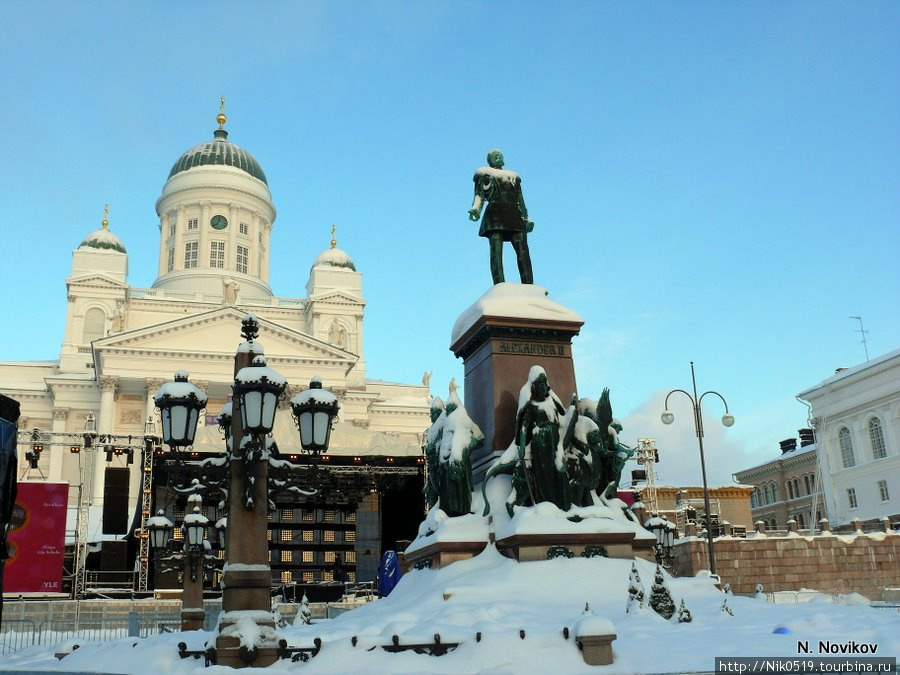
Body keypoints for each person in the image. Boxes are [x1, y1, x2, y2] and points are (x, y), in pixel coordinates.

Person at [468, 149, 534, 285]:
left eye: (500, 156)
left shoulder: (513, 177)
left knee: (523, 251)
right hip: (495, 215)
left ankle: (529, 285)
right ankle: (499, 284)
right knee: (496, 253)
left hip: (514, 214)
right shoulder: (484, 174)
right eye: (495, 156)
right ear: (490, 160)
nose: (498, 157)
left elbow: (520, 200)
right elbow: (479, 195)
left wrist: (526, 219)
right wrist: (476, 210)